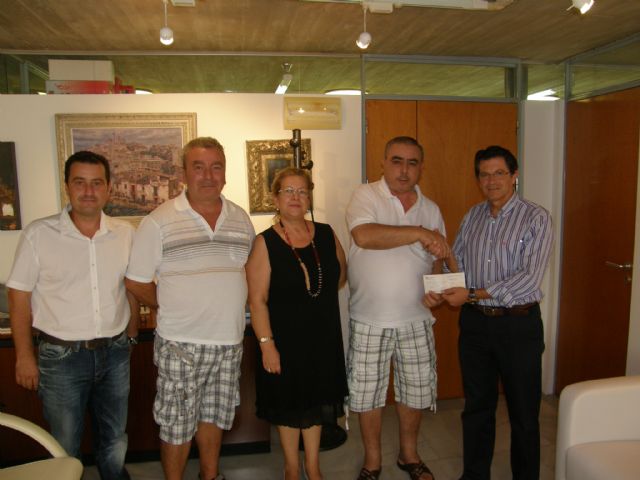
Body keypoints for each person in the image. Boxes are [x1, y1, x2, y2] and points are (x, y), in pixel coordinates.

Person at [125, 137, 255, 480]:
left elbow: (247, 271)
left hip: (228, 341)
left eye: (216, 167)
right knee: (176, 424)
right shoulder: (159, 221)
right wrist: (171, 303)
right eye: (199, 167)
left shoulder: (241, 219)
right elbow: (136, 281)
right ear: (184, 173)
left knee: (214, 416)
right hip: (181, 344)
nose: (208, 175)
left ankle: (209, 475)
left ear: (225, 173)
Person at [7, 150, 138, 480]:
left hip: (115, 353)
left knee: (115, 438)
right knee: (64, 443)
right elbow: (18, 296)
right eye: (80, 183)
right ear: (67, 186)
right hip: (61, 358)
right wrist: (24, 356)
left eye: (97, 183)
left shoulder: (125, 234)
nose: (88, 191)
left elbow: (131, 287)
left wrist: (132, 334)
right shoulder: (40, 234)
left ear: (109, 188)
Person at [430, 145, 553, 480]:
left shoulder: (536, 217)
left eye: (499, 173)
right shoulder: (472, 216)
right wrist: (439, 285)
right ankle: (474, 475)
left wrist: (472, 293)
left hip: (518, 325)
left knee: (523, 414)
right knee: (477, 408)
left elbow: (528, 277)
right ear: (478, 179)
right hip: (475, 325)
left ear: (514, 176)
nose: (491, 180)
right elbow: (459, 265)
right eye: (484, 174)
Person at [346, 136, 450, 480]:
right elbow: (365, 236)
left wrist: (436, 290)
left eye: (412, 162)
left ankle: (409, 455)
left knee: (416, 392)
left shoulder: (431, 208)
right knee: (368, 396)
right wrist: (419, 232)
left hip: (416, 319)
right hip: (369, 319)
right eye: (396, 160)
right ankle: (372, 462)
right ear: (383, 163)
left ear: (421, 167)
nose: (404, 170)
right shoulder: (365, 195)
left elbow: (438, 259)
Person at [246, 168, 348, 480]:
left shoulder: (327, 233)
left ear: (309, 198)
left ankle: (312, 466)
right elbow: (257, 300)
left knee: (316, 402)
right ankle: (291, 466)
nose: (295, 197)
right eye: (288, 191)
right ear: (275, 199)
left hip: (323, 337)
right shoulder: (265, 243)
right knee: (289, 405)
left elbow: (340, 276)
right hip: (284, 340)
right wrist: (267, 345)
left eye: (302, 191)